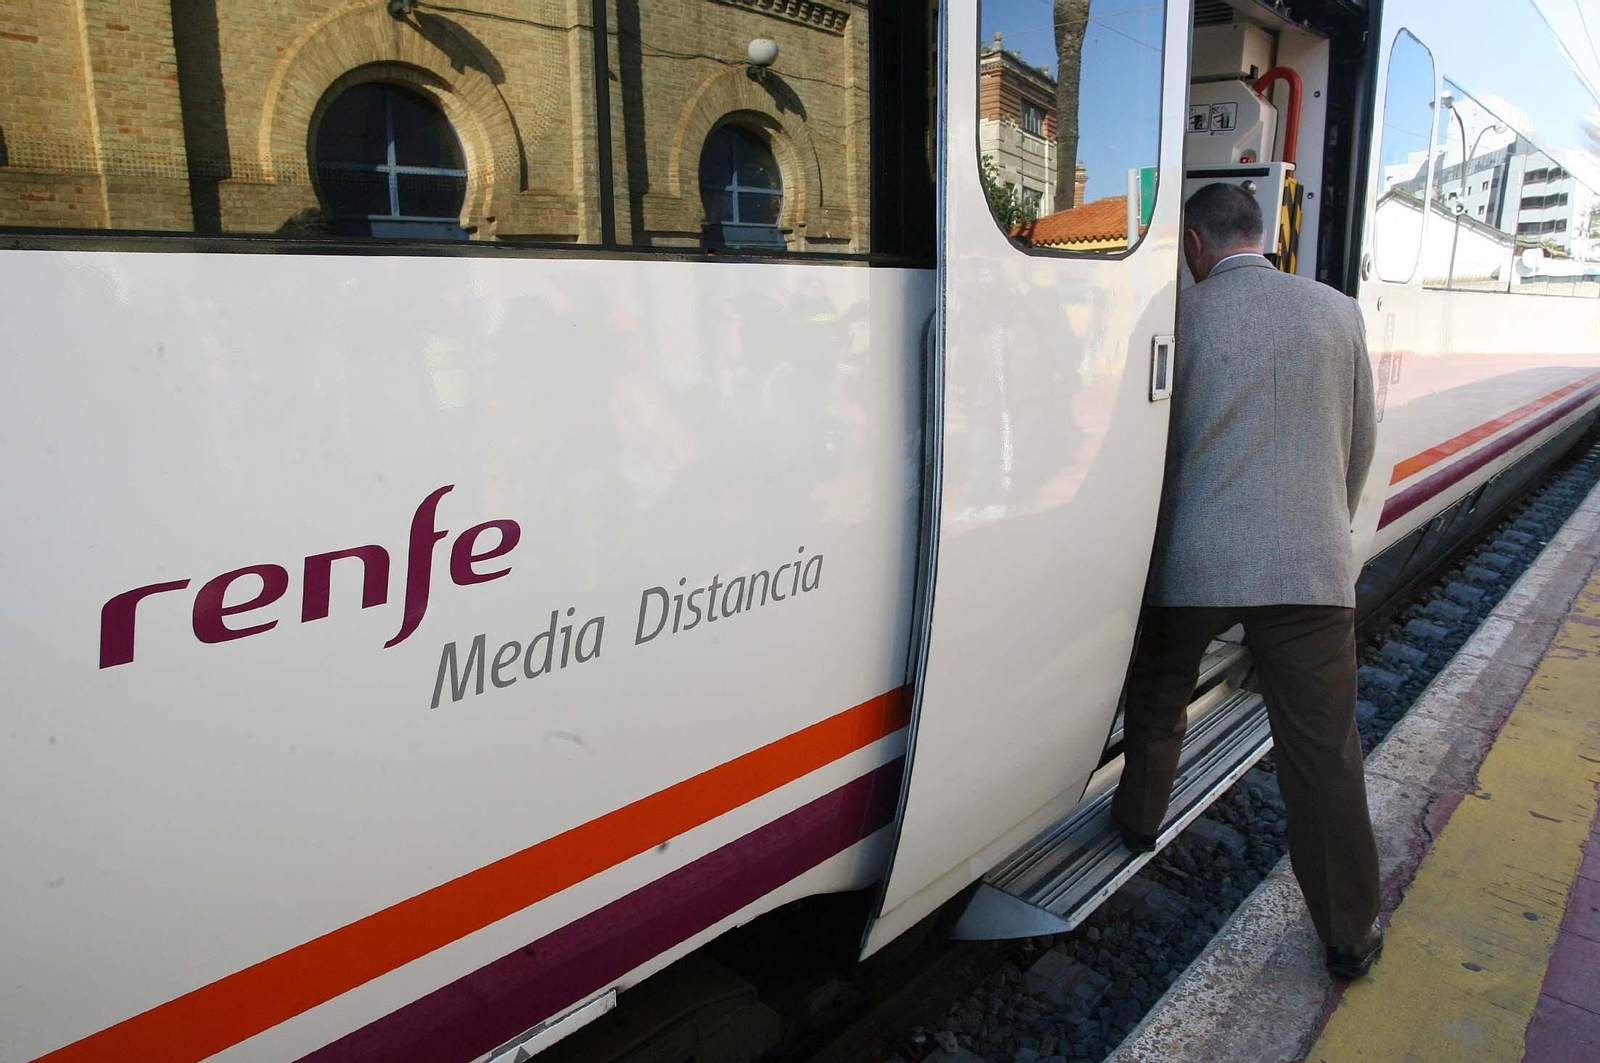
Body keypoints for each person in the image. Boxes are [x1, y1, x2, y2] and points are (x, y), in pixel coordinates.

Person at [1111, 182, 1383, 978]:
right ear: (1260, 234)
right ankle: (1350, 932)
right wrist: (1322, 533)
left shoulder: (1176, 320)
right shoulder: (1338, 312)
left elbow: (1147, 452)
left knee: (1158, 689)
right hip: (1310, 566)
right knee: (1324, 749)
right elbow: (1357, 446)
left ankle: (1137, 819)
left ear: (1194, 245)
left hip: (1195, 561)